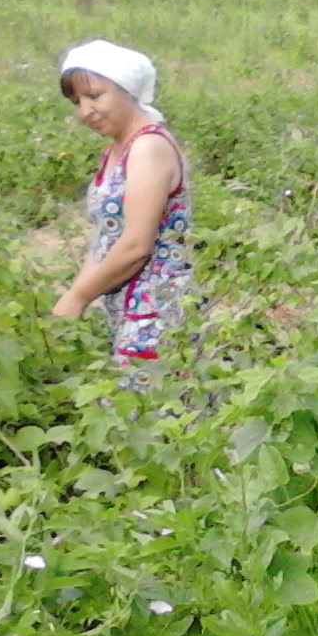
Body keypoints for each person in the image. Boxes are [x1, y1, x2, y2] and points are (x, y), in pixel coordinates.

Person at [54, 40, 195, 382]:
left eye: (95, 95)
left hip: (155, 311)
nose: (86, 111)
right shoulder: (116, 150)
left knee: (150, 416)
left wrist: (78, 296)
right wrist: (79, 293)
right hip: (125, 307)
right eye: (77, 102)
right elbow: (105, 235)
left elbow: (135, 245)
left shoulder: (148, 147)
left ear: (128, 89)